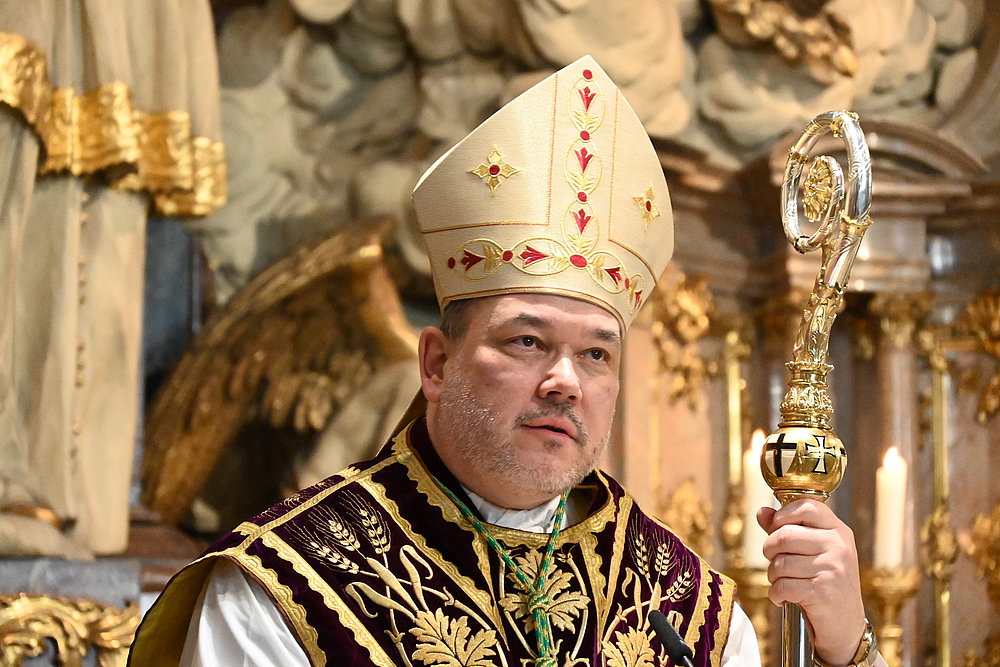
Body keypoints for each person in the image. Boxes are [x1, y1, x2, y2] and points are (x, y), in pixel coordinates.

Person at [128, 56, 880, 667]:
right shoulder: (288, 589)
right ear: (436, 363)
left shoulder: (685, 609)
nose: (565, 381)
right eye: (527, 341)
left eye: (596, 354)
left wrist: (844, 645)